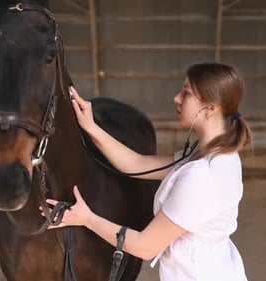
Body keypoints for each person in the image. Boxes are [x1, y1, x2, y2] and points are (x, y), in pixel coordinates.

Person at [45, 62, 251, 280]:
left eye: (187, 93)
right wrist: (91, 127)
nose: (177, 98)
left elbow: (145, 246)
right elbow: (135, 164)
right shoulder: (217, 153)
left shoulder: (202, 176)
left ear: (210, 108)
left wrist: (87, 218)